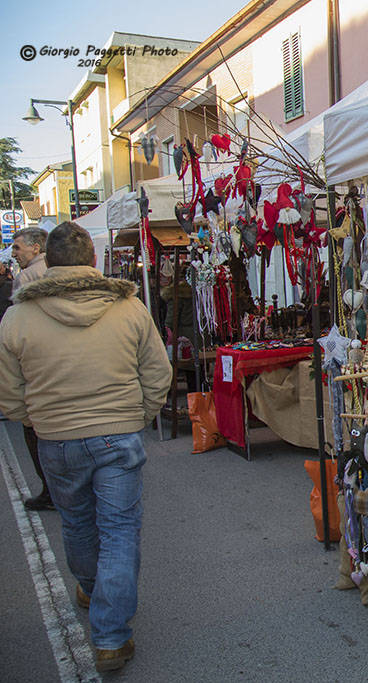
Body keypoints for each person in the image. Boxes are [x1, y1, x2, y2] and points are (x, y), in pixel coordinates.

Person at [0, 222, 172, 671]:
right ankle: (110, 635)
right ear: (93, 261)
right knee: (117, 532)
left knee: (78, 524)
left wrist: (35, 421)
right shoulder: (128, 307)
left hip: (56, 438)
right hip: (116, 433)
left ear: (49, 261)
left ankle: (93, 590)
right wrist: (135, 416)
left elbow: (9, 390)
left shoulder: (18, 317)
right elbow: (158, 373)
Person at [10, 227, 51, 509]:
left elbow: (17, 326)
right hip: (59, 359)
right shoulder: (53, 267)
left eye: (17, 248)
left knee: (35, 429)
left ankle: (51, 491)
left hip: (37, 361)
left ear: (36, 248)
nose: (14, 253)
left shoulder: (26, 277)